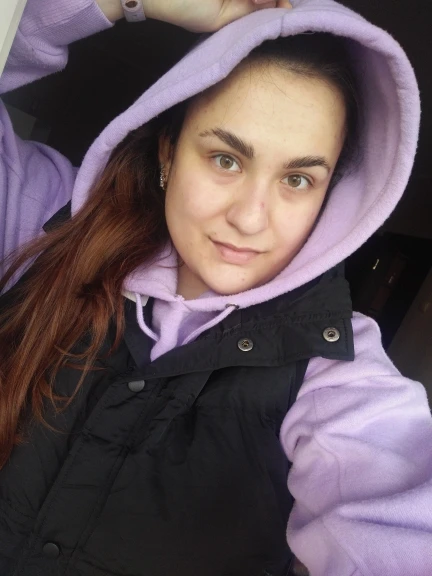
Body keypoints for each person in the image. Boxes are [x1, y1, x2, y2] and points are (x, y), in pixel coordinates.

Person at [0, 0, 431, 575]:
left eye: (297, 179)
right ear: (168, 153)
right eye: (226, 159)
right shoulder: (50, 226)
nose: (250, 218)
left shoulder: (335, 370)